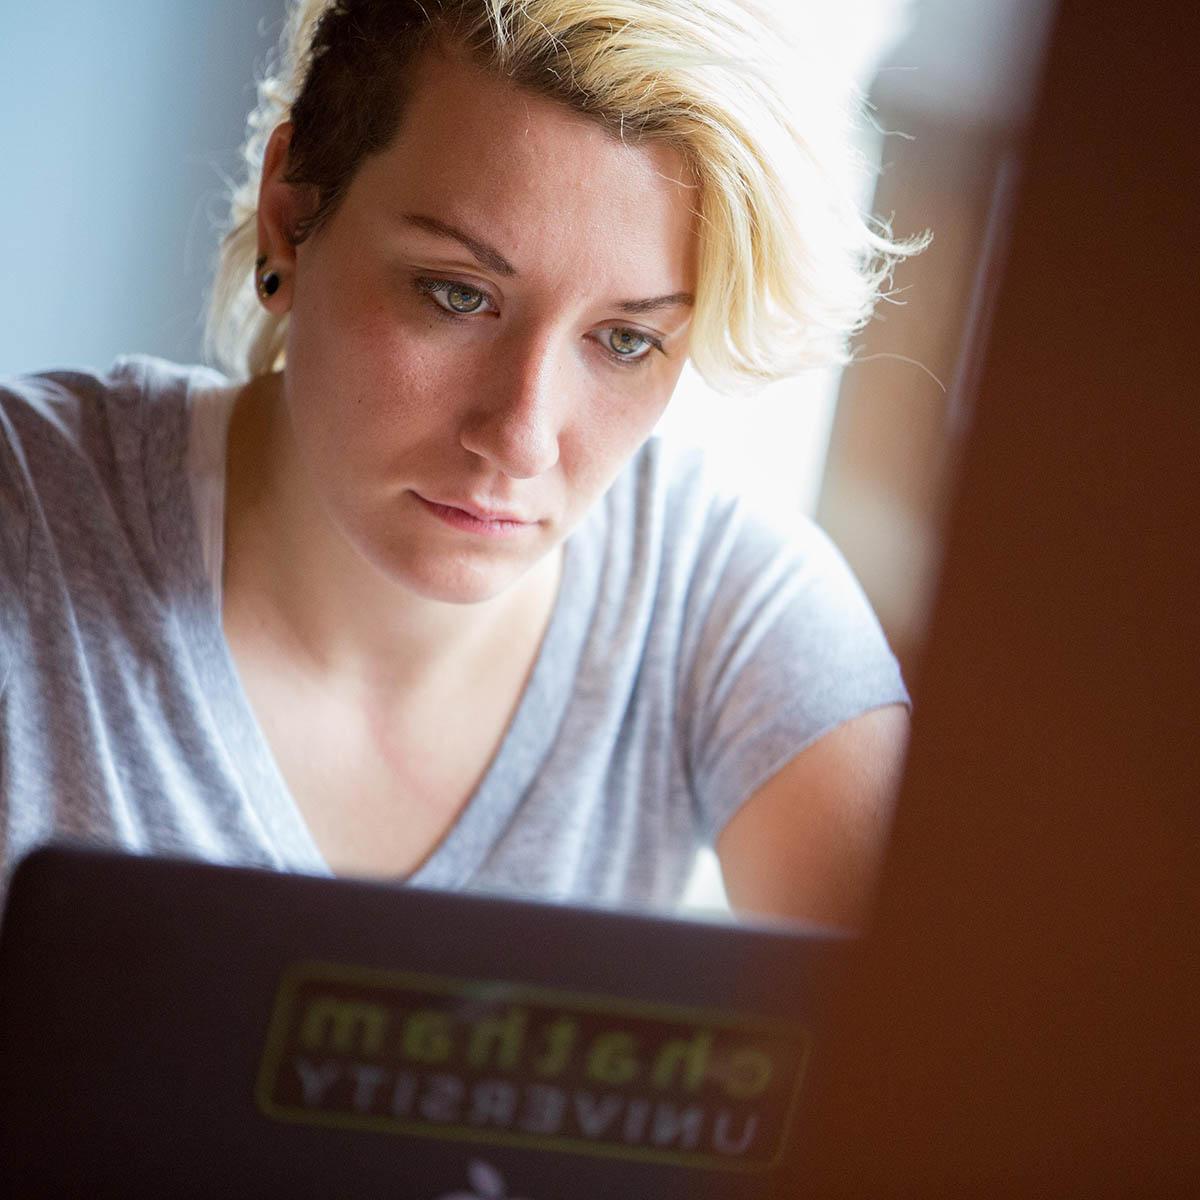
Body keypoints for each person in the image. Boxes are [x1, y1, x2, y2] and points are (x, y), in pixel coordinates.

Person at [0, 0, 917, 926]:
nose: (522, 436)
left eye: (627, 341)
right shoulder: (25, 519)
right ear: (290, 218)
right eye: (455, 294)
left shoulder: (720, 605)